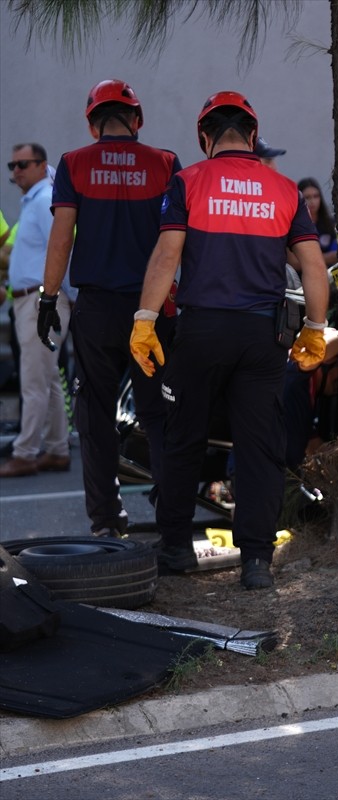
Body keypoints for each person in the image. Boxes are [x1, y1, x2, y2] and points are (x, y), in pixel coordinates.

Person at [131, 91, 330, 589]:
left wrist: (145, 321)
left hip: (200, 332)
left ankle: (175, 549)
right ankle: (257, 562)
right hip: (263, 335)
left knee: (183, 439)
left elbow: (166, 256)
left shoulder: (189, 182)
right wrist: (315, 329)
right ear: (254, 135)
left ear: (205, 137)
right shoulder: (284, 190)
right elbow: (312, 266)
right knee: (259, 445)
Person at [35, 80, 182, 533]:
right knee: (160, 415)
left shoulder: (74, 164)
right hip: (153, 311)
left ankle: (106, 522)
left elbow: (62, 239)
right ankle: (172, 521)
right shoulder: (165, 164)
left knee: (95, 416)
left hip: (95, 311)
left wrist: (47, 299)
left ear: (92, 122)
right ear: (137, 120)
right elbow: (178, 240)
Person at [0, 143, 72, 478]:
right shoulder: (39, 200)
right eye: (12, 165)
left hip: (40, 301)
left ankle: (25, 452)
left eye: (23, 164)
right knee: (47, 379)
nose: (16, 171)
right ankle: (57, 449)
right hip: (37, 299)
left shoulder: (44, 201)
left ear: (42, 165)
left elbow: (61, 248)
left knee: (34, 380)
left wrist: (52, 298)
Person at [298, 178, 338, 267]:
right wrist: (328, 257)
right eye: (307, 197)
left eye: (316, 196)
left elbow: (336, 248)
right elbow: (295, 263)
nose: (312, 202)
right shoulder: (295, 226)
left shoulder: (331, 223)